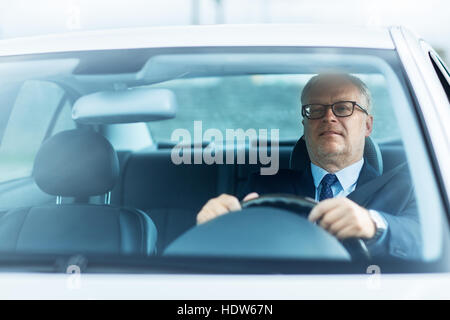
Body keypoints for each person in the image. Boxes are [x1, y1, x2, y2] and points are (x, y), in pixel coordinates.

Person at [196, 73, 421, 259]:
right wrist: (214, 229)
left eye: (343, 108)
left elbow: (427, 239)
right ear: (305, 125)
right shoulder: (263, 186)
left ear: (367, 125)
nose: (329, 117)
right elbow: (236, 255)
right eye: (315, 110)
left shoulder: (406, 188)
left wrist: (374, 225)